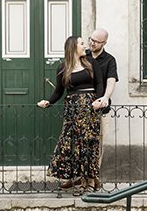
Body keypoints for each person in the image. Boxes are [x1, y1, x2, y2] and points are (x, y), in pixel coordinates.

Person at [37, 36, 106, 192]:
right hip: (72, 110)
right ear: (73, 47)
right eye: (81, 44)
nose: (85, 46)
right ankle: (78, 178)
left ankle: (89, 180)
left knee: (89, 143)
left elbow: (100, 83)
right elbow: (58, 92)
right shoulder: (63, 68)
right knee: (73, 144)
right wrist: (48, 102)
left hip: (90, 108)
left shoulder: (90, 62)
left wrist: (99, 100)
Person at [86, 28, 119, 115]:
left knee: (102, 128)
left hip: (100, 104)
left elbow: (111, 80)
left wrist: (105, 97)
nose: (92, 43)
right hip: (82, 102)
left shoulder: (110, 60)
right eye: (91, 39)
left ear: (104, 43)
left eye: (96, 42)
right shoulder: (82, 56)